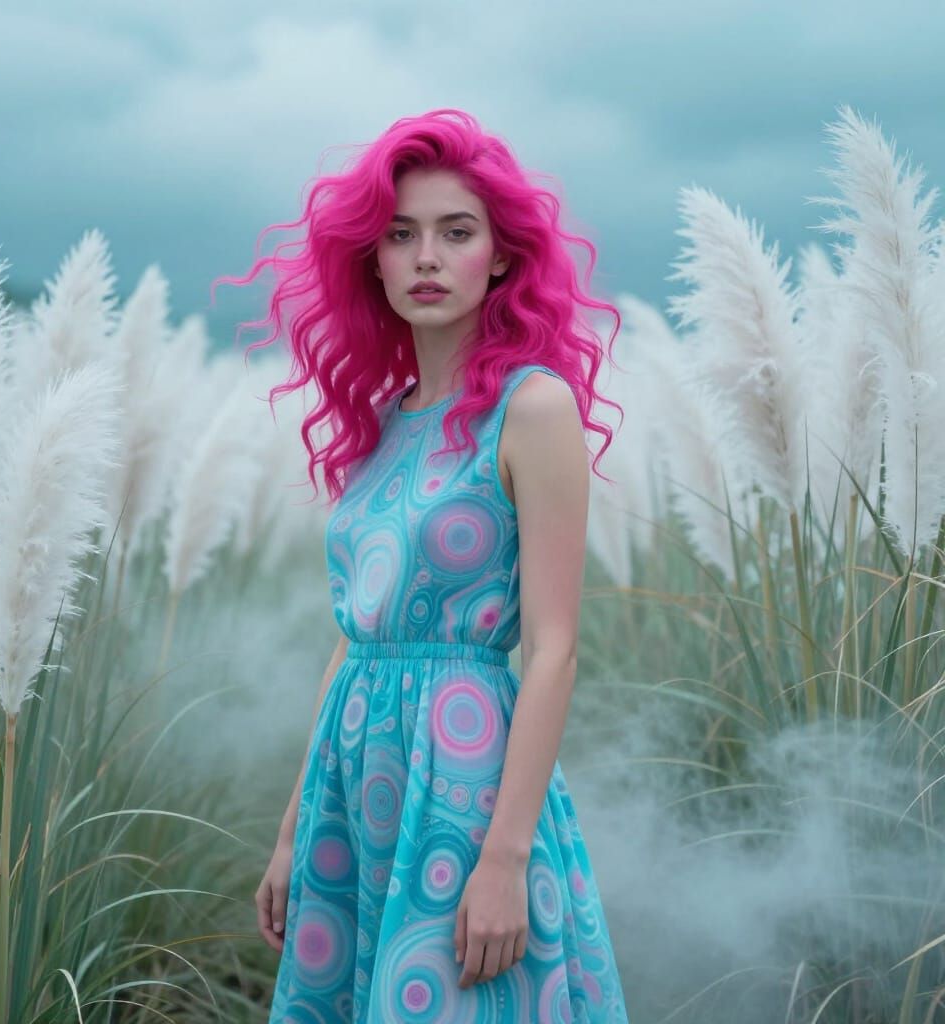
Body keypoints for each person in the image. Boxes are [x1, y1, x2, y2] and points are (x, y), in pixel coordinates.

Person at [215, 108, 629, 1022]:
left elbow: (555, 649)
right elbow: (352, 638)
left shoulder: (534, 408)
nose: (427, 257)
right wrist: (292, 830)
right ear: (373, 260)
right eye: (401, 236)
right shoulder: (386, 420)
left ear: (504, 255)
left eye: (456, 232)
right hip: (353, 777)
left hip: (463, 779)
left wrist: (506, 856)